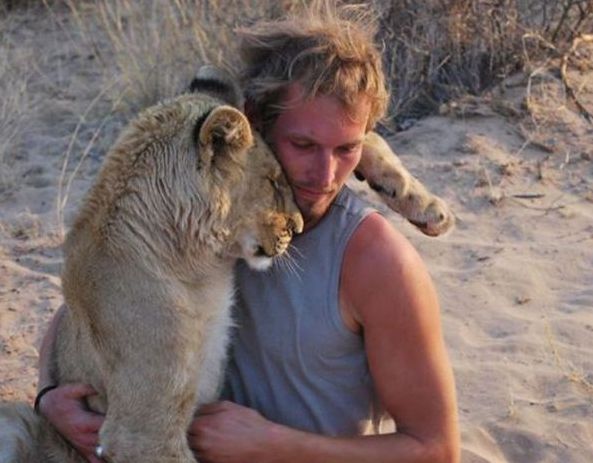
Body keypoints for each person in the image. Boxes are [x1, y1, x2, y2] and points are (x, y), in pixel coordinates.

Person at [36, 5, 459, 463]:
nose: (325, 176)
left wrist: (275, 445)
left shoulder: (378, 261)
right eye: (303, 146)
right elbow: (94, 304)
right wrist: (48, 396)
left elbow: (436, 450)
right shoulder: (211, 215)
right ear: (253, 122)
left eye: (349, 148)